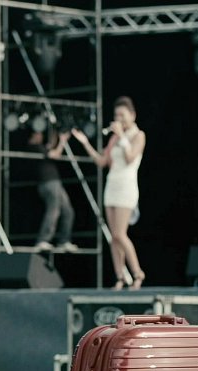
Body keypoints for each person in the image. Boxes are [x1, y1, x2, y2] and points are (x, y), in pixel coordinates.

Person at [72, 96, 146, 290]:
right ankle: (120, 277)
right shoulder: (114, 138)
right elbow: (102, 161)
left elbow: (130, 158)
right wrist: (85, 143)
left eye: (122, 115)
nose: (119, 118)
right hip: (111, 186)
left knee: (121, 234)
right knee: (113, 236)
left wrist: (122, 136)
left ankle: (137, 273)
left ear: (132, 115)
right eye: (116, 115)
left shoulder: (138, 135)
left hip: (126, 187)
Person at [30, 129, 78, 252]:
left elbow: (51, 146)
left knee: (68, 211)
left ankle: (64, 241)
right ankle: (43, 240)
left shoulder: (41, 147)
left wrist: (56, 134)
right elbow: (55, 154)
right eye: (38, 133)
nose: (41, 135)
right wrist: (62, 141)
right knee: (54, 211)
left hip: (54, 183)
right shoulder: (34, 147)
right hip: (49, 183)